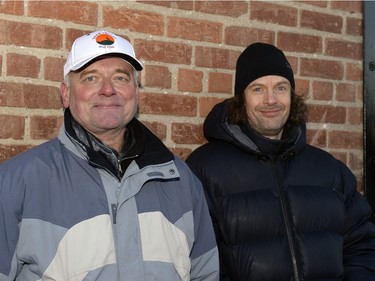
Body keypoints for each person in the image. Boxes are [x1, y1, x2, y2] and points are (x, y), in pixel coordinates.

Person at [0, 30, 219, 281]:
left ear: (136, 92)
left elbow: (206, 273)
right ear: (65, 94)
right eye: (91, 78)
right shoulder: (16, 183)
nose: (107, 89)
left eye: (120, 78)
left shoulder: (180, 178)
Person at [186, 42, 375, 281]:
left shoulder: (330, 171)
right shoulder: (205, 170)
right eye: (257, 89)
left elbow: (362, 247)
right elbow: (198, 262)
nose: (271, 100)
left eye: (281, 87)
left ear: (292, 96)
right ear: (241, 99)